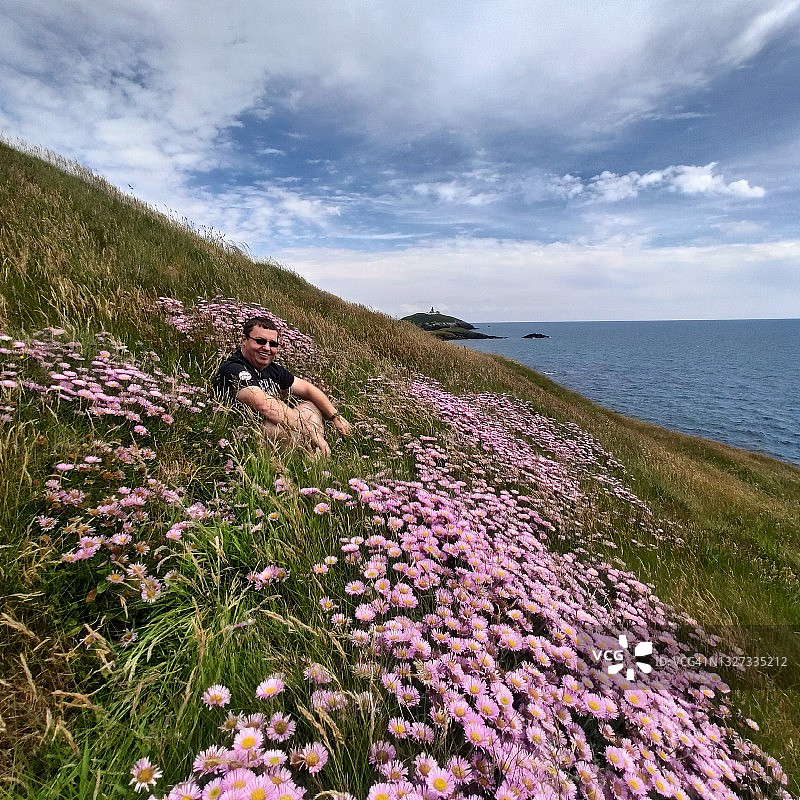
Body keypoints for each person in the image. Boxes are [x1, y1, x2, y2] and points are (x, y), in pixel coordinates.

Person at [213, 315, 352, 456]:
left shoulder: (273, 369)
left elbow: (307, 389)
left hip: (284, 428)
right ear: (244, 340)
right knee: (275, 427)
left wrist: (335, 417)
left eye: (273, 344)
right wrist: (309, 430)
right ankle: (310, 454)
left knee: (310, 407)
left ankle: (316, 453)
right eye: (260, 341)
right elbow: (264, 405)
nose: (267, 348)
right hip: (248, 434)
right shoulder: (234, 368)